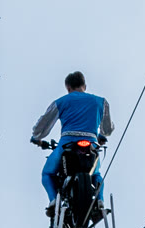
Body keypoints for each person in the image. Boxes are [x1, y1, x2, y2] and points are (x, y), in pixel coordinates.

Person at [31, 71, 114, 207]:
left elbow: (42, 127)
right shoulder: (101, 102)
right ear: (84, 86)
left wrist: (36, 137)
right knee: (96, 174)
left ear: (68, 88)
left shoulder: (61, 102)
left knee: (47, 174)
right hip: (91, 143)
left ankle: (53, 201)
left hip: (67, 144)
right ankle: (100, 200)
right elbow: (108, 130)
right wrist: (101, 136)